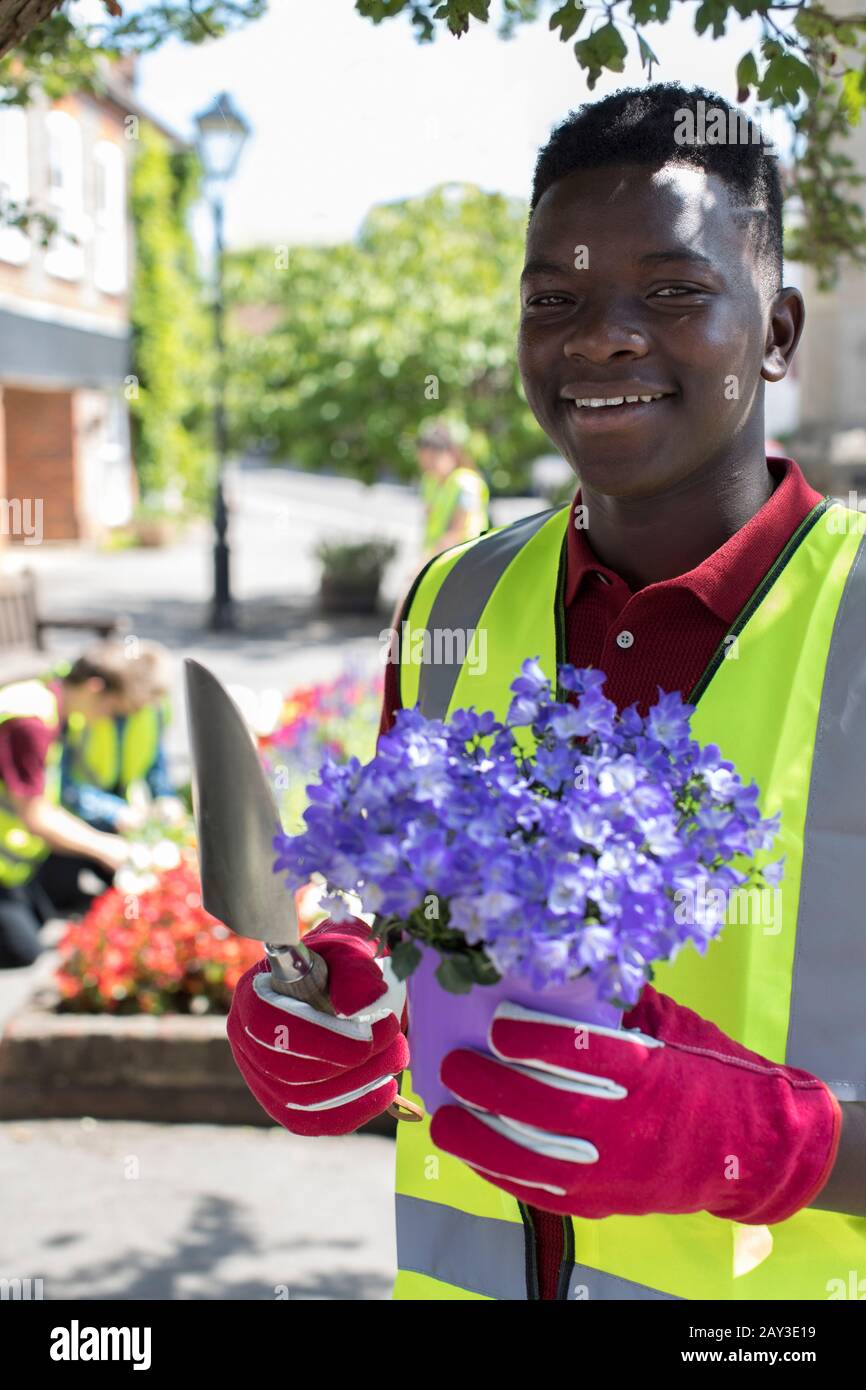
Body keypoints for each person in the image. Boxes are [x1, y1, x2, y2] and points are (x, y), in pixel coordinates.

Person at [227, 84, 866, 1300]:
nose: (599, 337)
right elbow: (403, 919)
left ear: (776, 333)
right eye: (552, 302)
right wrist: (345, 988)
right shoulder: (452, 603)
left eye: (672, 293)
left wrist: (774, 1146)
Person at [0, 641, 164, 968]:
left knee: (43, 917)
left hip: (19, 860)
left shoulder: (55, 703)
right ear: (94, 688)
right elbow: (35, 815)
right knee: (23, 952)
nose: (107, 719)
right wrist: (104, 847)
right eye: (111, 709)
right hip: (10, 861)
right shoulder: (29, 722)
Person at [59, 640, 180, 834]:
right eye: (137, 703)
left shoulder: (152, 709)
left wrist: (165, 796)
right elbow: (61, 781)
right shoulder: (82, 706)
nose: (142, 708)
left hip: (123, 811)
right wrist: (113, 811)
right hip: (77, 818)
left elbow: (156, 758)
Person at [416, 420, 490, 561]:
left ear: (450, 454)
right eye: (424, 462)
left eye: (433, 460)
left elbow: (456, 531)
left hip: (465, 559)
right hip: (440, 558)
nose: (428, 467)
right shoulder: (429, 482)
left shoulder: (467, 483)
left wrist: (425, 563)